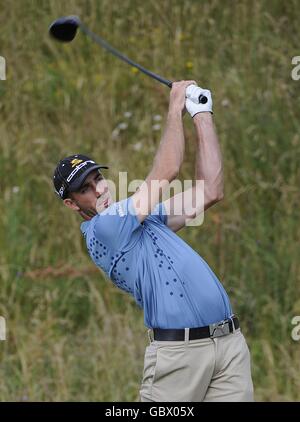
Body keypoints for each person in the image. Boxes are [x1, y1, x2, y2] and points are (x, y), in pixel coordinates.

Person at [53, 80, 254, 402]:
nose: (100, 190)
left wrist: (202, 113)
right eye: (85, 189)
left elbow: (210, 191)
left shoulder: (145, 220)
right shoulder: (105, 229)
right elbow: (167, 171)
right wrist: (175, 106)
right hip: (179, 355)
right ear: (72, 204)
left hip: (228, 346)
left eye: (98, 179)